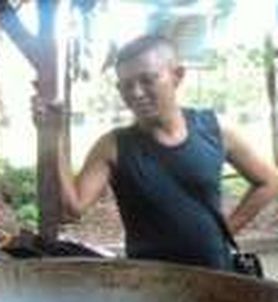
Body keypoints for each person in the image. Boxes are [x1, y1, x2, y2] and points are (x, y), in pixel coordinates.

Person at [34, 34, 278, 270]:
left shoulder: (214, 131)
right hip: (149, 284)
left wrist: (228, 229)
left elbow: (269, 181)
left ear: (177, 76)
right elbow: (72, 208)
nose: (136, 93)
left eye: (147, 80)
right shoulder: (113, 146)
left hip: (213, 276)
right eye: (126, 85)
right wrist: (51, 136)